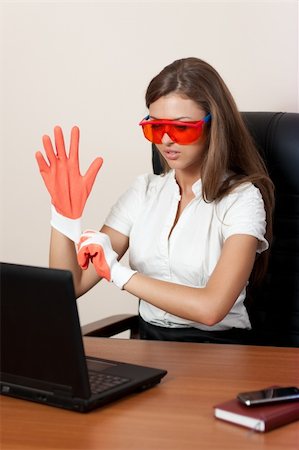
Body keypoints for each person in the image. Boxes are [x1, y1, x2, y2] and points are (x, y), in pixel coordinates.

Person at [35, 57, 274, 344]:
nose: (166, 140)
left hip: (219, 351)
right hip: (150, 346)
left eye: (182, 128)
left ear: (214, 126)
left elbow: (211, 308)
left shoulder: (242, 199)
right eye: (155, 127)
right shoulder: (143, 191)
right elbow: (72, 284)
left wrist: (119, 274)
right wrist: (63, 216)